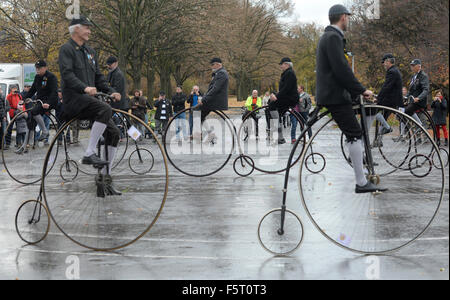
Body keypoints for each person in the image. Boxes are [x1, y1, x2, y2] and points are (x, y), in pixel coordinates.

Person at [315, 4, 387, 194]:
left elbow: (340, 71)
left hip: (335, 95)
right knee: (355, 134)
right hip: (335, 97)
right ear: (343, 17)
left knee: (359, 127)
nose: (349, 20)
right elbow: (341, 70)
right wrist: (361, 90)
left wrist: (358, 92)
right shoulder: (332, 37)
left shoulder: (330, 37)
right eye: (348, 16)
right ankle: (361, 181)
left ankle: (362, 170)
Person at [59, 16, 122, 196]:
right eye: (86, 28)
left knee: (114, 133)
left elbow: (99, 78)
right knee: (105, 109)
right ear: (76, 30)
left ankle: (106, 179)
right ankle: (89, 152)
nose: (89, 31)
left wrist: (111, 91)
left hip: (89, 101)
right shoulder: (67, 49)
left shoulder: (90, 52)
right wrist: (84, 87)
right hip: (74, 99)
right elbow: (67, 74)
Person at [371, 54, 403, 147]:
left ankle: (387, 128)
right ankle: (378, 140)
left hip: (390, 100)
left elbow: (386, 87)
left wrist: (378, 98)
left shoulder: (392, 72)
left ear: (388, 61)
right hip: (392, 99)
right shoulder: (395, 71)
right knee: (383, 118)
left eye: (384, 62)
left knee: (373, 111)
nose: (383, 64)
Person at [23, 60, 58, 144]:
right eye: (36, 68)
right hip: (40, 101)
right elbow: (32, 90)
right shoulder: (37, 77)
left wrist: (48, 103)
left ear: (45, 68)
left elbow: (54, 92)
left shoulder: (51, 77)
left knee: (34, 111)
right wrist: (23, 99)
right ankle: (26, 144)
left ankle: (45, 131)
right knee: (30, 119)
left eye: (39, 68)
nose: (37, 70)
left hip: (50, 101)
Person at [269, 57, 298, 145]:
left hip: (290, 98)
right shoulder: (287, 73)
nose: (280, 66)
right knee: (277, 111)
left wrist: (276, 96)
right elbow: (284, 89)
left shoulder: (289, 73)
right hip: (287, 97)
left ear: (287, 64)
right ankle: (279, 136)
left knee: (272, 105)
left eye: (281, 64)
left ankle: (279, 136)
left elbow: (286, 89)